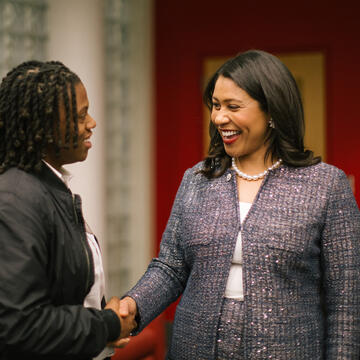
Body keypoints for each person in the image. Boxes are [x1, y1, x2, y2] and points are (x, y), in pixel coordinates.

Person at [120, 50, 360, 359]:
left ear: (271, 111)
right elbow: (171, 267)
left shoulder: (326, 186)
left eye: (233, 106)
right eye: (216, 106)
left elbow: (346, 303)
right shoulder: (197, 180)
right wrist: (133, 307)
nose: (219, 117)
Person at [0, 60, 136, 360]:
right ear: (44, 127)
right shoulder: (15, 200)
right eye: (80, 116)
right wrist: (108, 324)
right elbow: (18, 325)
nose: (92, 123)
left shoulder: (48, 188)